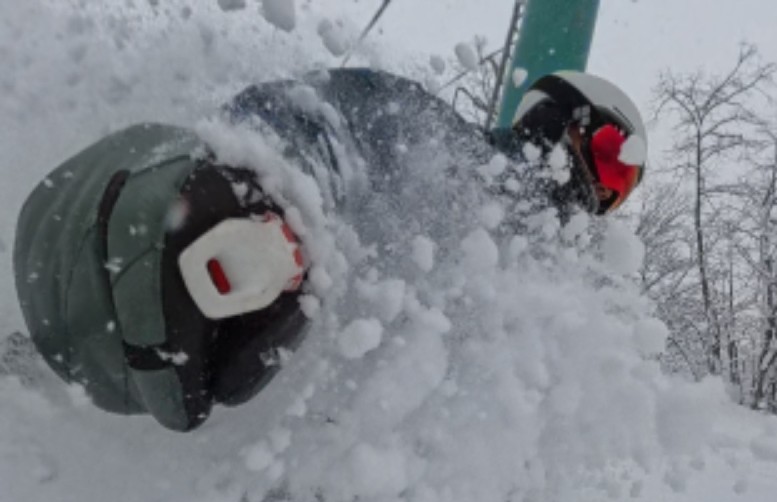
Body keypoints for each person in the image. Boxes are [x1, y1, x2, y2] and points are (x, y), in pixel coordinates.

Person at [8, 67, 647, 432]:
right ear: (560, 122)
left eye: (619, 192)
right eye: (611, 159)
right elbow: (333, 118)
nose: (598, 198)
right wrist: (276, 193)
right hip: (169, 306)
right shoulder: (449, 154)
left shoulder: (531, 339)